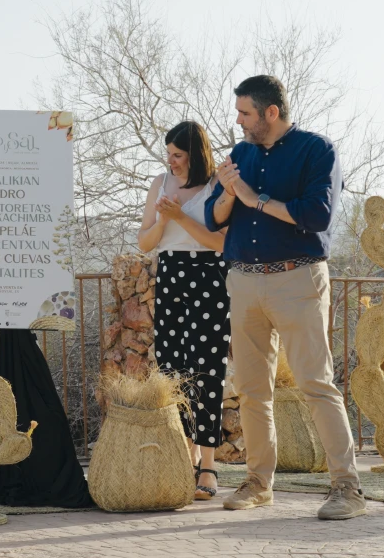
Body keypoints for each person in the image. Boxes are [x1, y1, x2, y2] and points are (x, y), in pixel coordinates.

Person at [205, 75, 365, 519]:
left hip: (297, 279)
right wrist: (228, 192)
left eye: (244, 113)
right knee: (253, 390)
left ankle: (347, 488)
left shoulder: (317, 150)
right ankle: (258, 483)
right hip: (243, 280)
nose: (238, 121)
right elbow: (214, 216)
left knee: (316, 383)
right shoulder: (240, 154)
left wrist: (255, 200)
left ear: (270, 113)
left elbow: (316, 215)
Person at [138, 120, 228, 500]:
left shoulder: (216, 187)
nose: (170, 161)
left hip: (209, 275)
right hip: (171, 274)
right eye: (168, 154)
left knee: (207, 370)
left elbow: (221, 242)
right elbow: (145, 243)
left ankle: (207, 465)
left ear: (195, 154)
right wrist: (162, 220)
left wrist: (180, 217)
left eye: (177, 154)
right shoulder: (159, 184)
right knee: (173, 370)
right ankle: (183, 459)